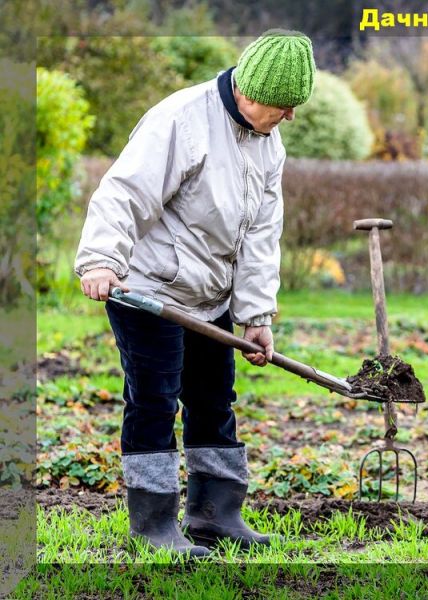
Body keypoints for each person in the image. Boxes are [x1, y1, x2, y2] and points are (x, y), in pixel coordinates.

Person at [74, 30, 315, 557]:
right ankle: (155, 525)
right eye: (285, 106)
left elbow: (260, 234)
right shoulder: (180, 120)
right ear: (252, 93)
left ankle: (215, 515)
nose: (290, 118)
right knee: (156, 402)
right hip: (148, 288)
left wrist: (255, 315)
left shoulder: (267, 142)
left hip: (209, 296)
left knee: (212, 400)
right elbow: (124, 192)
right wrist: (100, 259)